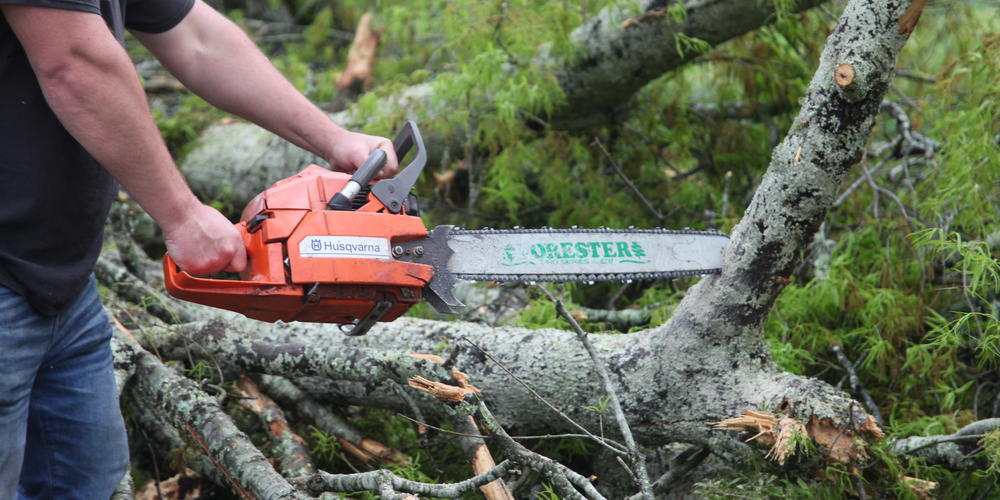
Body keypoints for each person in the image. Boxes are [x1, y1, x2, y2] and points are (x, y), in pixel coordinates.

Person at [0, 0, 398, 497]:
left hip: (61, 283)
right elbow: (72, 62)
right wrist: (182, 215)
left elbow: (194, 36)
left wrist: (334, 140)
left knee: (85, 482)